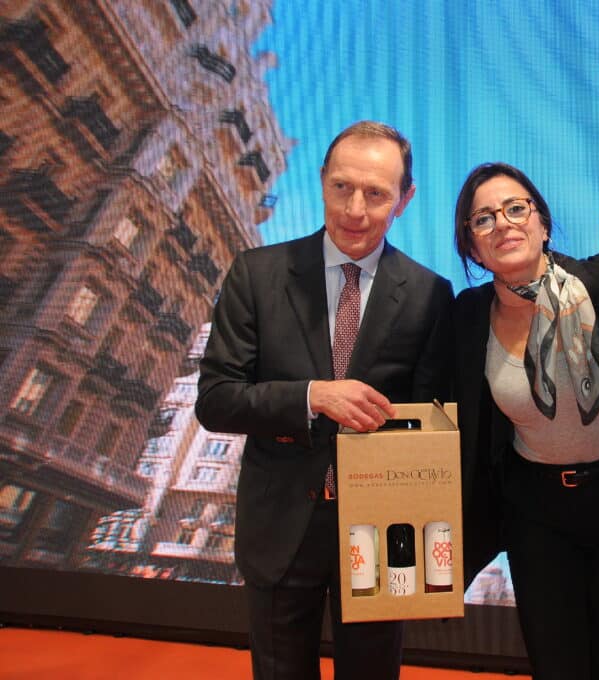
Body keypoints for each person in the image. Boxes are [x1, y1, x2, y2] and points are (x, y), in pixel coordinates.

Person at [195, 120, 453, 680]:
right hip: (280, 525)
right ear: (321, 182)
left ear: (404, 200)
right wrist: (313, 397)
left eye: (376, 194)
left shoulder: (430, 294)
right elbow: (216, 400)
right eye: (342, 187)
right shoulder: (257, 275)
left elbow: (429, 424)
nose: (355, 210)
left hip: (382, 532)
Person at [454, 162, 599, 680]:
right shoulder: (468, 316)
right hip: (535, 515)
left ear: (542, 223)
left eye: (515, 208)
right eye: (483, 219)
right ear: (473, 247)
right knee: (556, 666)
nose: (502, 224)